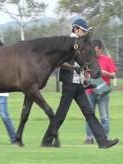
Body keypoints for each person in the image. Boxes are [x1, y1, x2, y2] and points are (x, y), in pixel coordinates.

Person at [42, 18, 118, 148]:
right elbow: (59, 63)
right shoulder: (66, 44)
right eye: (83, 30)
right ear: (76, 29)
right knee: (61, 114)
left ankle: (103, 142)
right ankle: (47, 141)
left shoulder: (81, 43)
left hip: (79, 85)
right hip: (69, 84)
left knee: (89, 113)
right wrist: (73, 68)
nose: (84, 33)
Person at [84, 39, 117, 144]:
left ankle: (106, 137)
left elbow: (113, 75)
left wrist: (104, 73)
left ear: (100, 49)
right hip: (90, 91)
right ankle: (89, 137)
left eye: (96, 50)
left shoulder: (107, 60)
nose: (94, 53)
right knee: (89, 115)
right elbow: (84, 73)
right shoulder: (87, 60)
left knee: (104, 117)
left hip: (103, 92)